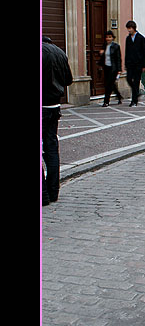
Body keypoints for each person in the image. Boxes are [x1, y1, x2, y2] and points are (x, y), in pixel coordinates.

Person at [42, 36, 73, 206]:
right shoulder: (60, 52)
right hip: (54, 105)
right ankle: (53, 191)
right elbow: (68, 79)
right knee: (51, 148)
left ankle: (43, 194)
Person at [124, 20, 145, 106]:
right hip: (130, 63)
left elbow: (144, 52)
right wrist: (126, 63)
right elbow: (127, 51)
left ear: (134, 28)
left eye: (130, 28)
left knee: (136, 81)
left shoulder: (141, 38)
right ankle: (136, 93)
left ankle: (134, 101)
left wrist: (144, 65)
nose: (129, 30)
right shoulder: (128, 38)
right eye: (128, 29)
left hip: (138, 64)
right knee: (129, 79)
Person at [99, 31, 122, 106]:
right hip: (106, 67)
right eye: (107, 37)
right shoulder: (104, 46)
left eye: (110, 37)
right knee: (111, 84)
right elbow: (102, 57)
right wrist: (101, 54)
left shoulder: (116, 46)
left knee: (108, 85)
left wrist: (119, 70)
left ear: (112, 38)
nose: (108, 39)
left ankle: (106, 101)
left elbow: (118, 58)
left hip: (113, 68)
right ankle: (119, 96)